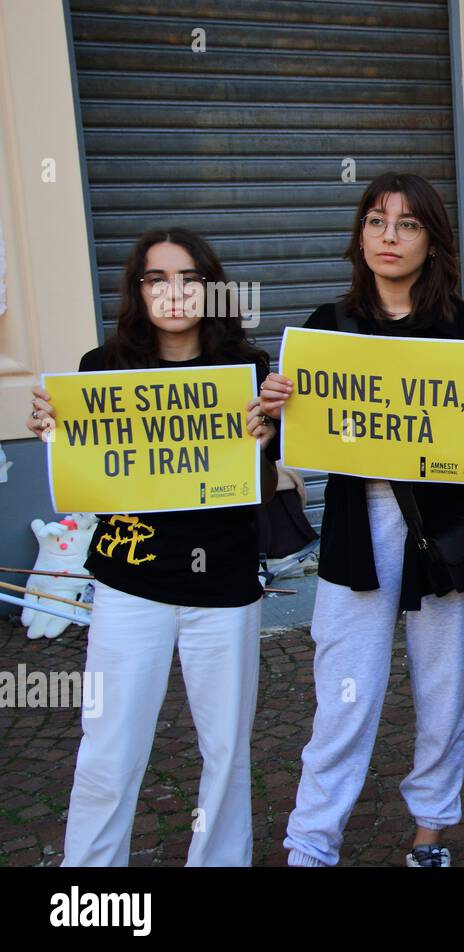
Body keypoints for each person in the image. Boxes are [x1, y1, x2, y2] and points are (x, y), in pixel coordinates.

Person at [262, 172, 464, 868]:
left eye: (407, 224)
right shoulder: (328, 327)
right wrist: (277, 407)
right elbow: (299, 440)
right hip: (359, 532)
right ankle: (311, 845)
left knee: (443, 694)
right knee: (343, 700)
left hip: (445, 536)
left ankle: (430, 836)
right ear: (359, 235)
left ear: (432, 239)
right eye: (376, 221)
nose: (389, 236)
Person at [28, 228, 278, 866]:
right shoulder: (101, 368)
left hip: (222, 586)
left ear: (211, 288)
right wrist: (56, 437)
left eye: (188, 278)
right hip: (127, 583)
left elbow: (267, 487)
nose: (174, 292)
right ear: (136, 291)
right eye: (156, 279)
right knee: (108, 745)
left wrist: (262, 445)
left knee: (226, 750)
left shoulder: (249, 368)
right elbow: (90, 478)